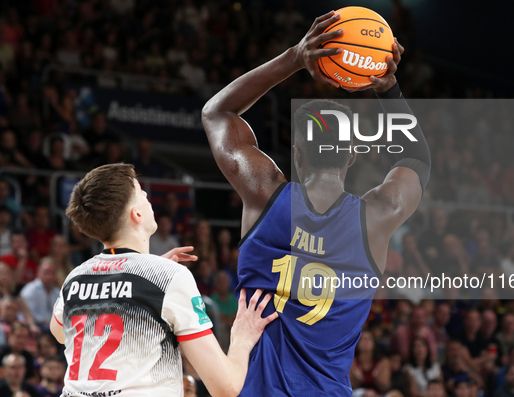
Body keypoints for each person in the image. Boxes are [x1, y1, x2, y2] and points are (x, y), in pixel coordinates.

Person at [202, 10, 429, 396]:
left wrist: (296, 57)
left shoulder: (264, 193)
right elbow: (417, 160)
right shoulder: (377, 215)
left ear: (297, 155)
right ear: (352, 156)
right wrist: (388, 89)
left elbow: (218, 112)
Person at [49, 163, 277, 396]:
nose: (147, 195)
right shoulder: (168, 277)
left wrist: (145, 273)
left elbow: (58, 331)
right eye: (140, 192)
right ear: (137, 214)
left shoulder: (76, 276)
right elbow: (226, 387)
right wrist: (241, 338)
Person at [20, 262, 60, 329]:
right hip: (33, 325)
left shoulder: (57, 291)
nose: (49, 277)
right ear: (38, 273)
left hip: (51, 325)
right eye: (46, 273)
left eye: (52, 273)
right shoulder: (30, 290)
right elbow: (28, 314)